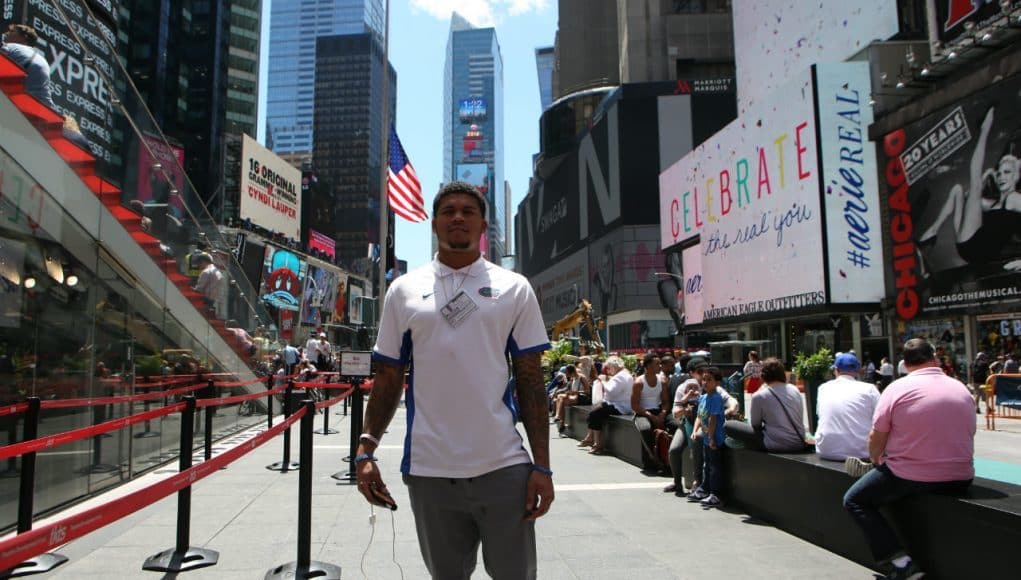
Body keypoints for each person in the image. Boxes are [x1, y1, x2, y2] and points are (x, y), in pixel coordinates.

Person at [353, 182, 552, 580]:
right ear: (434, 223)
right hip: (430, 471)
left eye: (467, 211)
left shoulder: (515, 288)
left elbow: (530, 382)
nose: (458, 216)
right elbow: (388, 376)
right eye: (448, 210)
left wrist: (542, 467)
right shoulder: (403, 290)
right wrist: (365, 451)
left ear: (483, 225)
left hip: (503, 467)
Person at [843, 339, 975, 580]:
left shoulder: (896, 388)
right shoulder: (961, 388)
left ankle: (901, 563)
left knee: (854, 500)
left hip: (910, 476)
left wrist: (876, 461)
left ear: (904, 364)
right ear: (935, 358)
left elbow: (876, 437)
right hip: (961, 476)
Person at [918, 107, 1021, 272]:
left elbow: (975, 190)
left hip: (976, 247)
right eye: (1000, 172)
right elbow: (968, 197)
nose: (1002, 176)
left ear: (1016, 176)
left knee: (975, 186)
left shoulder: (1014, 199)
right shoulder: (996, 203)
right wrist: (988, 176)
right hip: (970, 247)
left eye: (1007, 172)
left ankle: (985, 130)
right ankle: (932, 233)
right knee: (958, 190)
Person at [814, 353, 880, 472]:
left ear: (836, 370)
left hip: (825, 451)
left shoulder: (823, 388)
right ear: (857, 371)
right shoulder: (869, 389)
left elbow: (820, 414)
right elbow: (881, 420)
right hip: (860, 453)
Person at [725, 357, 808, 452]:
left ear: (763, 375)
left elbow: (755, 424)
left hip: (775, 444)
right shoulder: (794, 389)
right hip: (799, 442)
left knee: (728, 425)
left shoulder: (759, 395)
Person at [689, 366, 726, 507]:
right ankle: (705, 489)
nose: (705, 383)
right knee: (707, 465)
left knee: (715, 466)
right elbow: (699, 416)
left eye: (709, 380)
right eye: (703, 379)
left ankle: (715, 493)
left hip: (715, 439)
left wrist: (711, 438)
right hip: (706, 438)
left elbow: (713, 419)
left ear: (717, 382)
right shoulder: (703, 397)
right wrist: (694, 430)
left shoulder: (716, 398)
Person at [580, 356, 632, 455]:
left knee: (595, 413)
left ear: (613, 366)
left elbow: (611, 391)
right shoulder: (625, 374)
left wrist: (603, 381)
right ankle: (591, 438)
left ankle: (596, 443)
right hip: (620, 405)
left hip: (620, 407)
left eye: (608, 368)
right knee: (595, 410)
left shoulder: (621, 376)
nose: (608, 371)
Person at [631, 352, 670, 472]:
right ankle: (651, 460)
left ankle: (668, 459)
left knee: (674, 424)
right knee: (645, 429)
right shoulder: (639, 382)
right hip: (642, 413)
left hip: (658, 412)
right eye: (657, 364)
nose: (660, 366)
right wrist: (652, 417)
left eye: (660, 364)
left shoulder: (662, 381)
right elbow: (635, 406)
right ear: (647, 366)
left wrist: (663, 414)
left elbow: (665, 402)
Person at [1, 24, 56, 109]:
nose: (7, 33)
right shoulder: (42, 59)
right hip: (43, 110)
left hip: (22, 104)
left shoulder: (12, 47)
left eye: (12, 31)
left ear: (24, 37)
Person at [192, 253, 225, 319]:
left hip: (205, 302)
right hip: (215, 302)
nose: (199, 267)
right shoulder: (218, 272)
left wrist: (191, 289)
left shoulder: (206, 272)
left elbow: (199, 290)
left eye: (199, 264)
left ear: (203, 262)